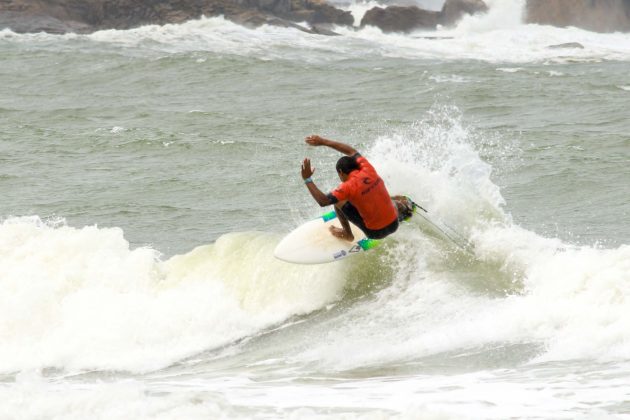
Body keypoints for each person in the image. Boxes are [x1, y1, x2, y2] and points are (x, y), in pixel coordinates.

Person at [301, 134, 414, 241]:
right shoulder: (368, 168)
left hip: (375, 233)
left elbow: (323, 201)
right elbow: (351, 151)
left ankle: (347, 234)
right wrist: (323, 141)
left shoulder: (347, 187)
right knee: (392, 200)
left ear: (341, 172)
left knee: (338, 202)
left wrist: (307, 179)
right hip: (394, 224)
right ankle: (405, 206)